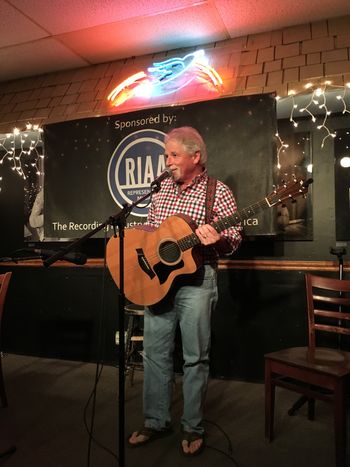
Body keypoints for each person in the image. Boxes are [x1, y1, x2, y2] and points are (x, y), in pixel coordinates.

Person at [128, 126, 242, 456]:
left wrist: (217, 239)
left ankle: (192, 426)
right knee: (154, 355)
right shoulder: (161, 187)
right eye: (166, 155)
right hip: (159, 282)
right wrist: (145, 247)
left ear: (195, 156)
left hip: (197, 282)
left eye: (173, 155)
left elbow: (234, 238)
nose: (168, 162)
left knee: (195, 358)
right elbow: (152, 230)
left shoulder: (217, 192)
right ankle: (156, 420)